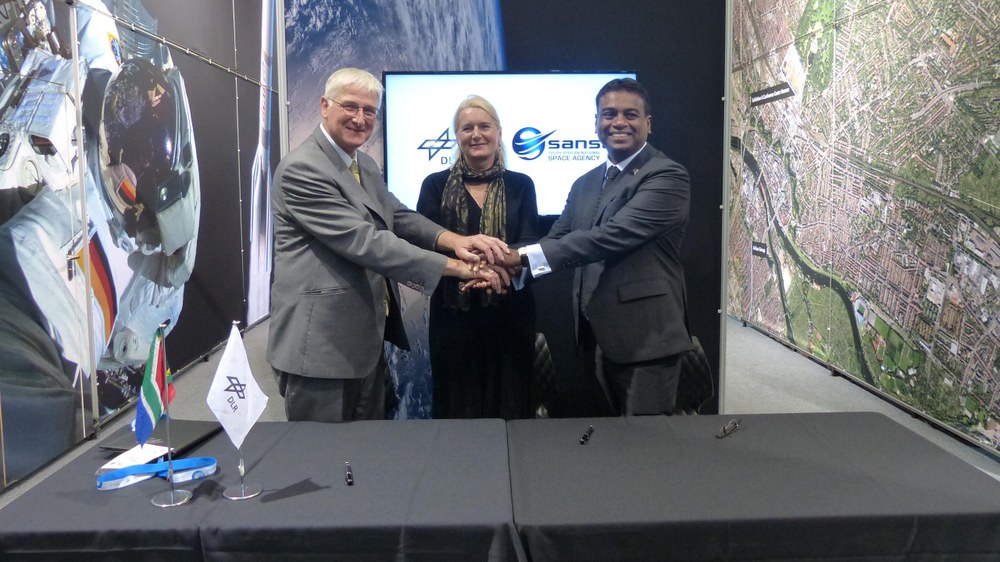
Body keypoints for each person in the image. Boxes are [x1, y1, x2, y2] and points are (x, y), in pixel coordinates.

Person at [268, 68, 507, 423]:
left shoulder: (363, 164)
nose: (360, 118)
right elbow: (366, 242)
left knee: (370, 450)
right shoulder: (302, 169)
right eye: (350, 106)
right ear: (324, 106)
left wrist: (457, 241)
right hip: (319, 347)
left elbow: (396, 214)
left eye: (370, 110)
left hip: (364, 343)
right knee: (322, 452)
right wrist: (458, 268)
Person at [503, 78, 693, 416]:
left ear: (648, 123)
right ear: (596, 123)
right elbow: (557, 238)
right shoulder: (585, 183)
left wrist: (519, 258)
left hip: (647, 342)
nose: (619, 122)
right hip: (594, 338)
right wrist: (501, 265)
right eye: (609, 114)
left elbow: (610, 236)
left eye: (630, 114)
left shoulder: (666, 176)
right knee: (606, 439)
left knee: (646, 441)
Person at [417, 95, 540, 419]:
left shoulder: (521, 185)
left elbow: (528, 240)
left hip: (510, 310)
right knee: (458, 408)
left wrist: (499, 273)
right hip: (453, 314)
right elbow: (425, 242)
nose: (476, 134)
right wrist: (475, 270)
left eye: (484, 126)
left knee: (511, 405)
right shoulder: (434, 185)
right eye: (467, 128)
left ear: (499, 133)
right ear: (457, 136)